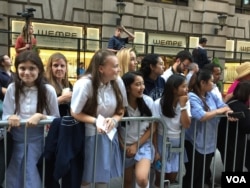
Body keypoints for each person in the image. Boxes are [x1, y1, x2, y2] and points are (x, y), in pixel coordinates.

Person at [70, 49, 128, 188]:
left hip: (109, 135)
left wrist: (114, 119)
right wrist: (95, 121)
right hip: (87, 136)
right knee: (86, 178)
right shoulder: (85, 84)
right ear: (101, 68)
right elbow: (75, 112)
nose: (118, 69)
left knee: (103, 178)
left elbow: (121, 109)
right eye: (114, 66)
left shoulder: (117, 81)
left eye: (118, 65)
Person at [2, 51, 60, 188]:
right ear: (17, 69)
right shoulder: (12, 88)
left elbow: (56, 118)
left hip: (39, 143)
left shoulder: (48, 90)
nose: (27, 72)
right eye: (22, 68)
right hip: (15, 143)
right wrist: (11, 117)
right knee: (14, 178)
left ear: (39, 69)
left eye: (32, 68)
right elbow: (5, 115)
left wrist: (41, 116)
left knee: (34, 178)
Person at [183, 70, 233, 188]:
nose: (214, 84)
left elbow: (224, 106)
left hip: (209, 141)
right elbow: (201, 116)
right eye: (211, 81)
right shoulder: (192, 96)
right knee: (193, 174)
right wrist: (218, 111)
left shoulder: (210, 94)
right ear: (203, 83)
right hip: (194, 142)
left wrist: (227, 111)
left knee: (203, 174)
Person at [152, 74, 191, 188]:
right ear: (174, 89)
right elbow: (154, 128)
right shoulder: (158, 103)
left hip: (177, 142)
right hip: (161, 141)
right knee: (160, 177)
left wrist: (183, 106)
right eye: (184, 86)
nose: (187, 89)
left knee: (172, 177)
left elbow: (186, 124)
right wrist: (156, 150)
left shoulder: (185, 102)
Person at [119, 71, 154, 188]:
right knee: (127, 182)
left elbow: (154, 125)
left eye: (143, 84)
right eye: (138, 84)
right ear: (128, 88)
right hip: (125, 146)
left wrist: (137, 145)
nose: (142, 87)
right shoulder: (120, 104)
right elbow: (115, 127)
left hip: (143, 145)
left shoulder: (148, 101)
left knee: (142, 179)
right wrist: (123, 145)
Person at [217, 81, 250, 172]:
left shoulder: (232, 103)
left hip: (228, 141)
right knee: (234, 167)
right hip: (233, 143)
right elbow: (247, 126)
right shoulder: (240, 106)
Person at [0, 54, 14, 188]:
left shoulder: (14, 74)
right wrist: (10, 92)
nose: (10, 59)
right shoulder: (1, 74)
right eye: (7, 58)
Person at [45, 52, 72, 117]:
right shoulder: (45, 84)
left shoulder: (68, 84)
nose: (59, 68)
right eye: (56, 65)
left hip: (66, 122)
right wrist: (62, 98)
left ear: (66, 68)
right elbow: (42, 107)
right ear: (50, 67)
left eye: (62, 66)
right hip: (52, 123)